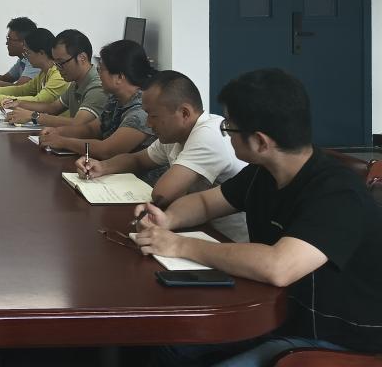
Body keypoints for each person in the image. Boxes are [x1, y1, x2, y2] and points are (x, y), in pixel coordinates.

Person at [136, 69, 382, 366]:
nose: (226, 133)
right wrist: (167, 220)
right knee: (170, 343)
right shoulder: (263, 172)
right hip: (278, 311)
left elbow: (278, 266)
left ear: (261, 142)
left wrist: (179, 245)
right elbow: (204, 203)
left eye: (229, 126)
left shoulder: (338, 193)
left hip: (336, 337)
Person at [75, 70, 245, 238]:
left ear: (184, 113)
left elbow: (163, 194)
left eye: (153, 116)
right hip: (197, 227)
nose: (148, 123)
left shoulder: (209, 134)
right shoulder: (175, 135)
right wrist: (102, 167)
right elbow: (138, 160)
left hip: (228, 240)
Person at [40, 39, 156, 159]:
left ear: (119, 77)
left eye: (101, 69)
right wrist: (58, 132)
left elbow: (107, 150)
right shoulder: (116, 99)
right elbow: (91, 129)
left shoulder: (142, 110)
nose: (98, 73)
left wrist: (63, 142)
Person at [2, 29, 108, 128]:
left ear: (82, 58)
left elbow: (78, 124)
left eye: (61, 63)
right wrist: (19, 103)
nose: (57, 68)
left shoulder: (97, 86)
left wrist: (33, 116)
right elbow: (52, 108)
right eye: (56, 63)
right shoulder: (76, 83)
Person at [0, 28, 70, 119]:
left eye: (28, 53)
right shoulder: (43, 73)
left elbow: (40, 101)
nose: (26, 57)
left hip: (58, 124)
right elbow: (22, 90)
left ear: (41, 53)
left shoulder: (58, 75)